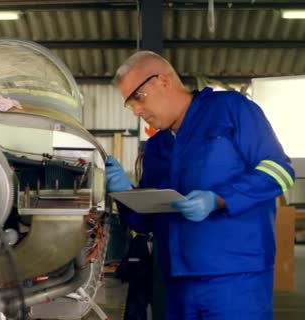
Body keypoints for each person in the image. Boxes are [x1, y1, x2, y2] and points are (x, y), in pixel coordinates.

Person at [106, 50, 295, 320]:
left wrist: (219, 199)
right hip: (176, 282)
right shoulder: (157, 146)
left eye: (138, 97)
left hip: (235, 277)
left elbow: (280, 171)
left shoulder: (230, 108)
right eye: (129, 104)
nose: (136, 110)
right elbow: (147, 222)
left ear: (163, 80)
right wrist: (124, 194)